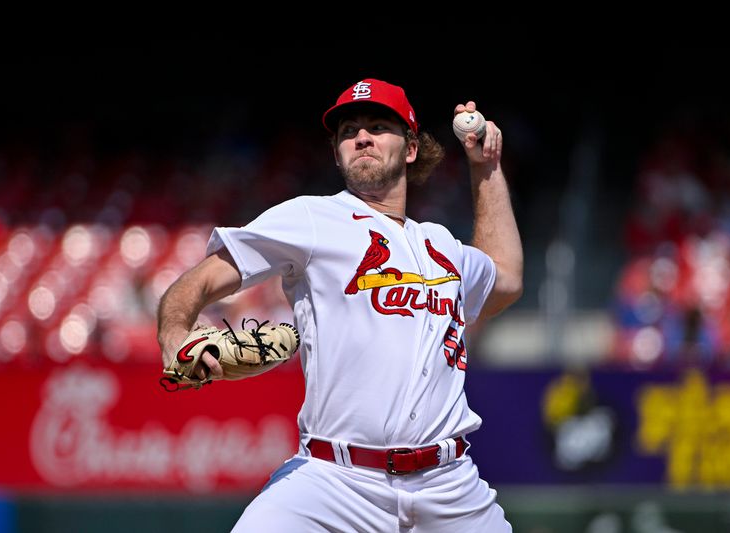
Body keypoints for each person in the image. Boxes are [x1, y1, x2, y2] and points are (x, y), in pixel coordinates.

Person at [157, 78, 523, 532]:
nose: (361, 136)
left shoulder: (441, 245)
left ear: (411, 149)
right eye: (349, 130)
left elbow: (505, 278)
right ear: (336, 153)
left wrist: (484, 167)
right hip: (333, 480)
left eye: (377, 126)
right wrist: (175, 333)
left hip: (449, 486)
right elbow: (201, 280)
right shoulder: (311, 218)